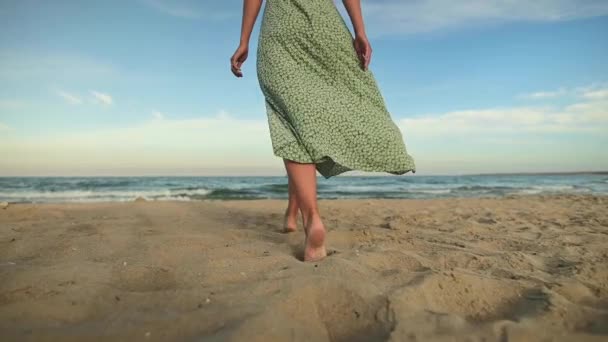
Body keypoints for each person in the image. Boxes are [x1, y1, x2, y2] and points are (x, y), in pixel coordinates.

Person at [230, 0, 416, 262]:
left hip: (281, 30)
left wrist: (244, 40)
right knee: (313, 119)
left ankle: (311, 219)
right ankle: (292, 211)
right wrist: (360, 31)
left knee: (291, 123)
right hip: (324, 26)